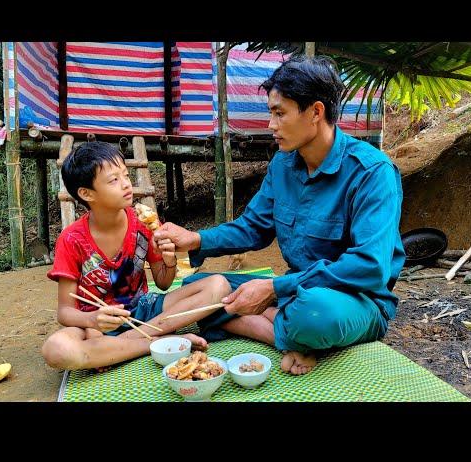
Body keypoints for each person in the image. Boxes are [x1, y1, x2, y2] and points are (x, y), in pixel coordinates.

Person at [154, 55, 406, 375]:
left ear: (316, 112)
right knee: (202, 286)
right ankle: (286, 335)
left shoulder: (372, 173)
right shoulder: (283, 164)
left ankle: (274, 327)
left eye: (279, 113)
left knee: (314, 316)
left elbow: (370, 267)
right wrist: (195, 239)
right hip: (292, 291)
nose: (271, 125)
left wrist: (275, 290)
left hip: (354, 300)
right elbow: (253, 227)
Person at [41, 142, 232, 370]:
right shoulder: (71, 239)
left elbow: (163, 283)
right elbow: (65, 311)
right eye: (114, 180)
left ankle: (116, 348)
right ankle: (160, 342)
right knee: (56, 350)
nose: (126, 184)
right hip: (98, 322)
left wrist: (169, 262)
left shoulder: (143, 222)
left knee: (219, 286)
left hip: (143, 310)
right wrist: (92, 320)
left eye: (125, 175)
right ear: (86, 193)